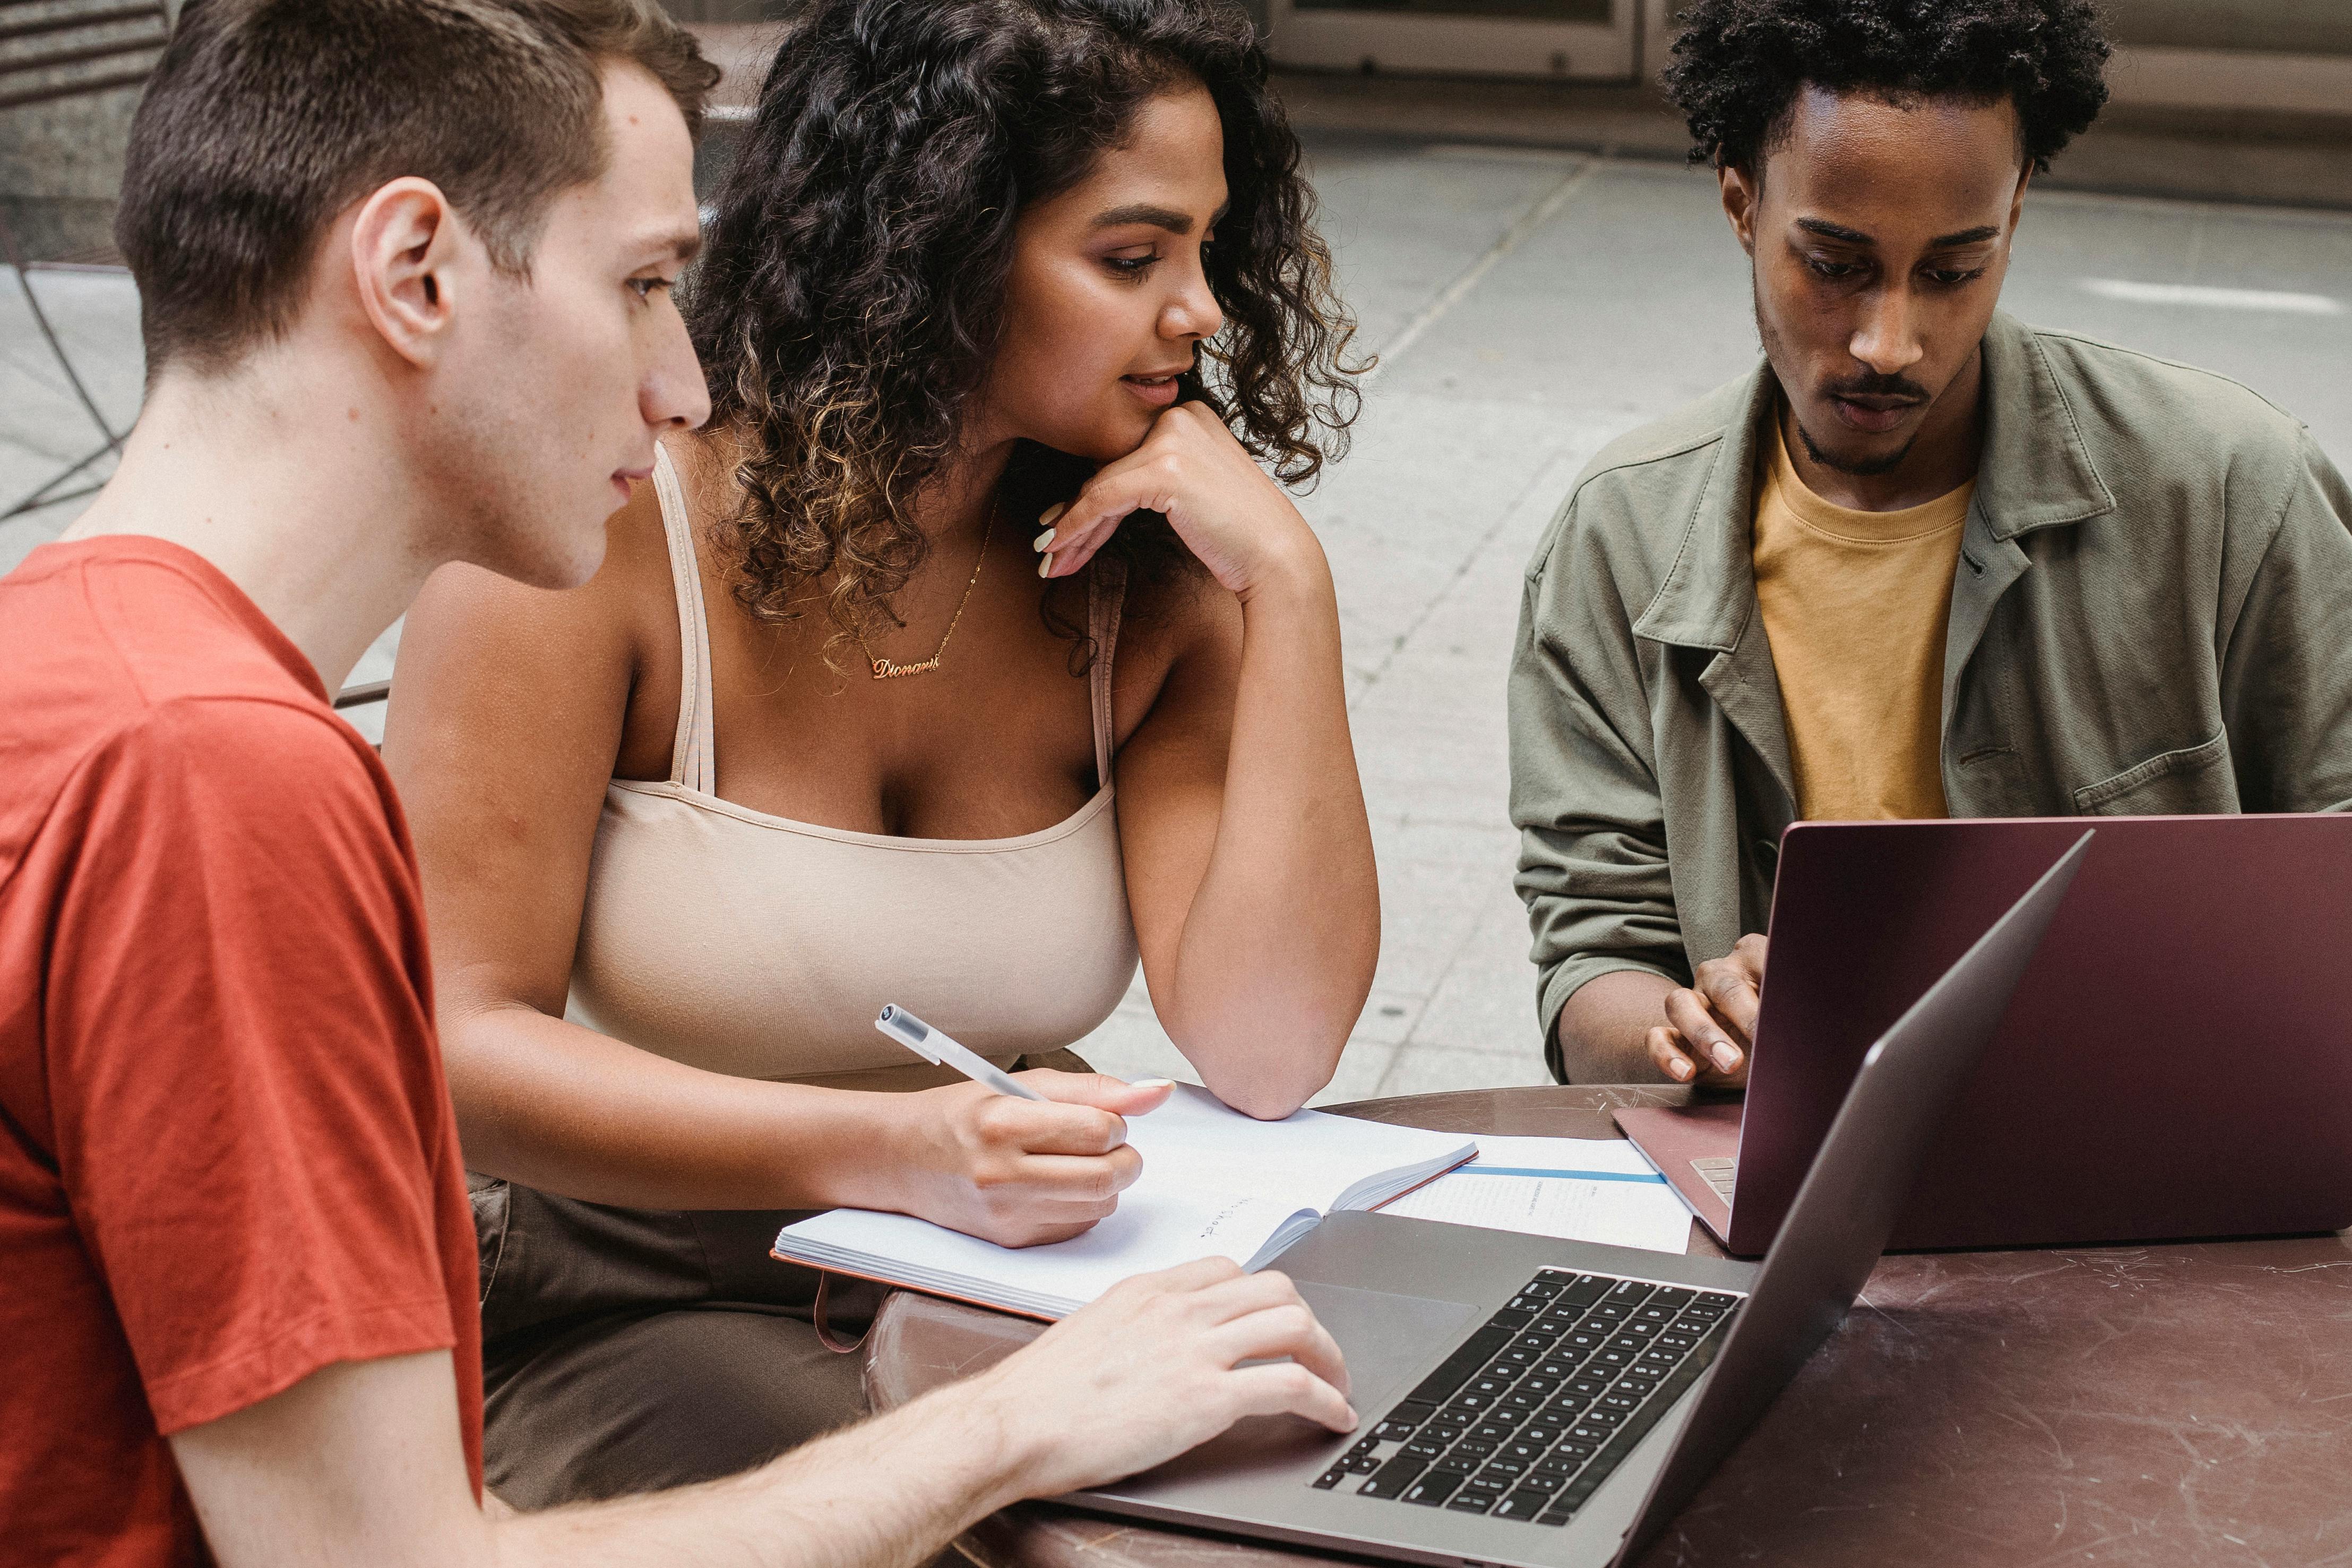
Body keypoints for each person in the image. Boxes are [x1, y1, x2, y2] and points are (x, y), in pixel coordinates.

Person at [0, 2, 1355, 1563]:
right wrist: (1019, 1417)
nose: (690, 378)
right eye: (645, 284)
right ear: (415, 271)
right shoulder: (214, 776)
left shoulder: (108, 680)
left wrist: (1291, 590)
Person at [380, 0, 1381, 1506]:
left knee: (1294, 1481)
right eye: (1131, 258)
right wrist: (891, 1150)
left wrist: (1290, 593)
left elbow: (1267, 1047)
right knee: (1017, 1521)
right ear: (939, 244)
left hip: (992, 1282)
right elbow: (446, 1047)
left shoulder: (1138, 577)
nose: (1204, 315)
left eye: (1206, 250)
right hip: (625, 1298)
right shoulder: (604, 527)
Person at [1508, 0, 2352, 1088]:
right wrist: (1691, 1027)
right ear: (1738, 203)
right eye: (1833, 264)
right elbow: (1592, 957)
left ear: (2015, 214)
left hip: (2156, 1184)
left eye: (1953, 271)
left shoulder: (2236, 490)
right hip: (1787, 1190)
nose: (1887, 342)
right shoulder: (1614, 541)